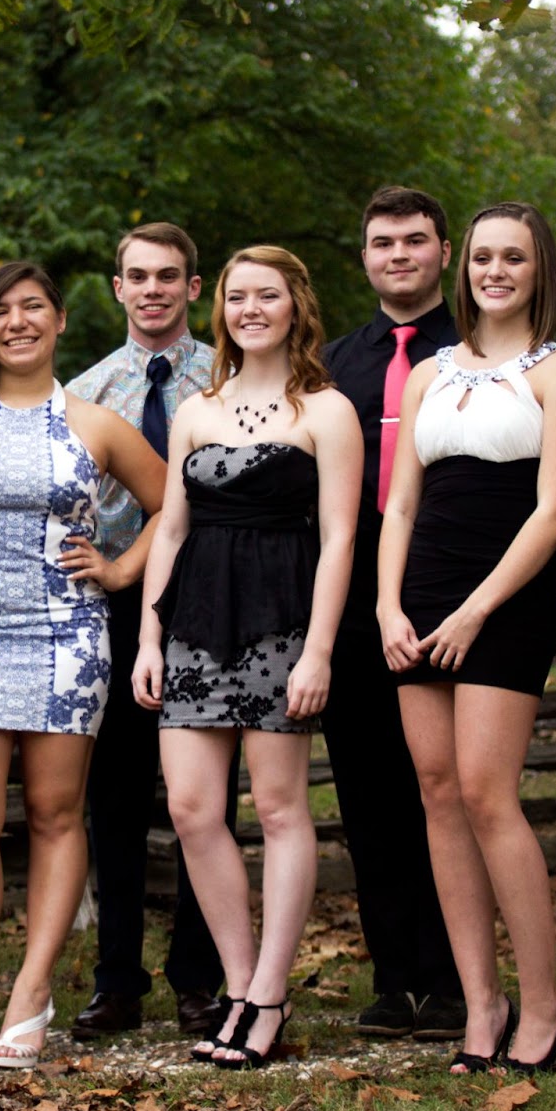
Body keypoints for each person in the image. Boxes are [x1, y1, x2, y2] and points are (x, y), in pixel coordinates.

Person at [0, 262, 167, 1068]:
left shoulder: (96, 423)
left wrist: (119, 572)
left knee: (56, 812)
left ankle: (31, 991)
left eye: (34, 308)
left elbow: (169, 502)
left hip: (66, 637)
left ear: (57, 322)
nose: (18, 322)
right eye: (2, 311)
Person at [377, 202, 556, 1075]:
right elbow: (400, 504)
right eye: (481, 257)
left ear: (539, 269)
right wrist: (390, 607)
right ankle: (482, 1004)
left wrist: (476, 611)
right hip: (421, 589)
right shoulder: (428, 371)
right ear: (462, 268)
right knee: (436, 791)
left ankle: (544, 1006)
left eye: (513, 257)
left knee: (487, 792)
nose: (493, 270)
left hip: (506, 592)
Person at [134, 245, 360, 1069]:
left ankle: (270, 991)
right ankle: (238, 984)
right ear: (220, 308)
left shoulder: (327, 410)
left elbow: (339, 540)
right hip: (195, 618)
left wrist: (319, 653)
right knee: (194, 808)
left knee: (278, 809)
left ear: (295, 304)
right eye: (237, 297)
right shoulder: (198, 408)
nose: (250, 309)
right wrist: (150, 636)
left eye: (267, 295)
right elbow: (172, 529)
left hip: (282, 622)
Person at [64, 223, 228, 1042]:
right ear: (117, 287)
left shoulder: (230, 376)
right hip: (119, 610)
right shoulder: (85, 393)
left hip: (217, 601)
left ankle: (201, 976)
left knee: (206, 800)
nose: (154, 288)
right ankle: (117, 980)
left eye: (170, 276)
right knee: (116, 797)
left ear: (194, 288)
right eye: (138, 276)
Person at [321, 187, 466, 1042]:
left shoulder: (476, 353)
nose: (399, 254)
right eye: (383, 242)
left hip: (445, 591)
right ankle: (392, 980)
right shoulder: (336, 363)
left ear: (443, 251)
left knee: (449, 790)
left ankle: (452, 980)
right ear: (366, 257)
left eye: (415, 240)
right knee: (370, 792)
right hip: (350, 606)